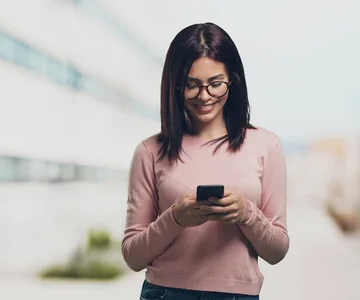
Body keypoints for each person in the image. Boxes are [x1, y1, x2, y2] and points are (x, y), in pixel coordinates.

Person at [122, 22, 289, 300]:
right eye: (192, 85)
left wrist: (245, 214)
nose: (204, 96)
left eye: (215, 84)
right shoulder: (149, 151)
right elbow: (132, 257)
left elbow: (277, 251)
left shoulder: (266, 146)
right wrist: (176, 218)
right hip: (164, 293)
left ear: (232, 81)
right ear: (175, 85)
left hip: (237, 295)